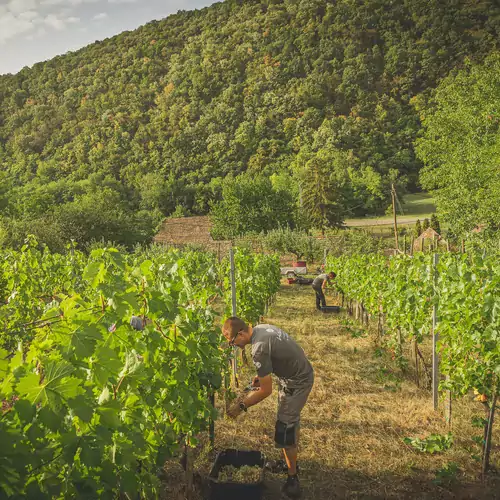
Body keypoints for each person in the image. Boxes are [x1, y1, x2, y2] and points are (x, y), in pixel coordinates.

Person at [223, 317, 314, 499]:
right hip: (294, 375)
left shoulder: (258, 348)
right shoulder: (261, 329)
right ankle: (288, 462)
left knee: (285, 428)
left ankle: (292, 480)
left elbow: (266, 390)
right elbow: (277, 358)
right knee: (286, 421)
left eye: (233, 342)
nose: (234, 346)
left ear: (241, 334)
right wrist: (262, 375)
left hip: (297, 382)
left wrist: (241, 406)